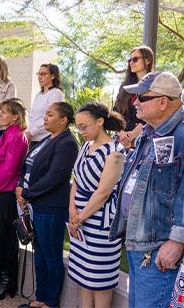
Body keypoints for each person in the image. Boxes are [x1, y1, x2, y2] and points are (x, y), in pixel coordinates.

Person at [109, 71, 184, 308]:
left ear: (163, 102)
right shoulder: (149, 132)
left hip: (159, 249)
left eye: (142, 98)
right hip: (139, 243)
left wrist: (177, 240)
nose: (135, 102)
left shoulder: (181, 135)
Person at [16, 102, 79, 308]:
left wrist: (27, 193)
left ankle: (51, 302)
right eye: (45, 114)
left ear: (63, 120)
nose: (44, 118)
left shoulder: (67, 143)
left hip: (51, 208)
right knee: (40, 254)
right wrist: (19, 186)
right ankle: (40, 297)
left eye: (50, 114)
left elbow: (54, 177)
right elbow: (28, 168)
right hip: (36, 205)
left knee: (51, 257)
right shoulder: (46, 139)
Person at [68, 102, 126, 308]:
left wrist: (80, 217)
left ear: (100, 122)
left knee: (99, 280)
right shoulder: (85, 146)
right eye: (78, 127)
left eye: (84, 126)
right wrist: (72, 211)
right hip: (79, 218)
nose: (80, 131)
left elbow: (103, 192)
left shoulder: (116, 151)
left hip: (101, 222)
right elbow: (76, 180)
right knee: (84, 276)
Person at [0, 98, 28, 300]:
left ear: (15, 116)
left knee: (4, 238)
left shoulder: (16, 136)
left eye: (4, 112)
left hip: (7, 191)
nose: (0, 115)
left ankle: (5, 280)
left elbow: (9, 169)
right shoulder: (9, 133)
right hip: (2, 189)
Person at [114, 46, 154, 149]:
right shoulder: (124, 86)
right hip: (120, 140)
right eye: (130, 60)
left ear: (147, 60)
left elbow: (154, 113)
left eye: (135, 59)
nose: (131, 62)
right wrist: (121, 133)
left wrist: (133, 135)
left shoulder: (155, 85)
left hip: (145, 141)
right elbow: (115, 112)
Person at [26, 63, 64, 149]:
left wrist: (32, 132)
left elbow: (51, 117)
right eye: (38, 74)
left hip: (46, 138)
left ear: (53, 76)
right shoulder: (38, 95)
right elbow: (32, 116)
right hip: (33, 138)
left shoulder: (56, 93)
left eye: (43, 74)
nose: (39, 77)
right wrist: (29, 132)